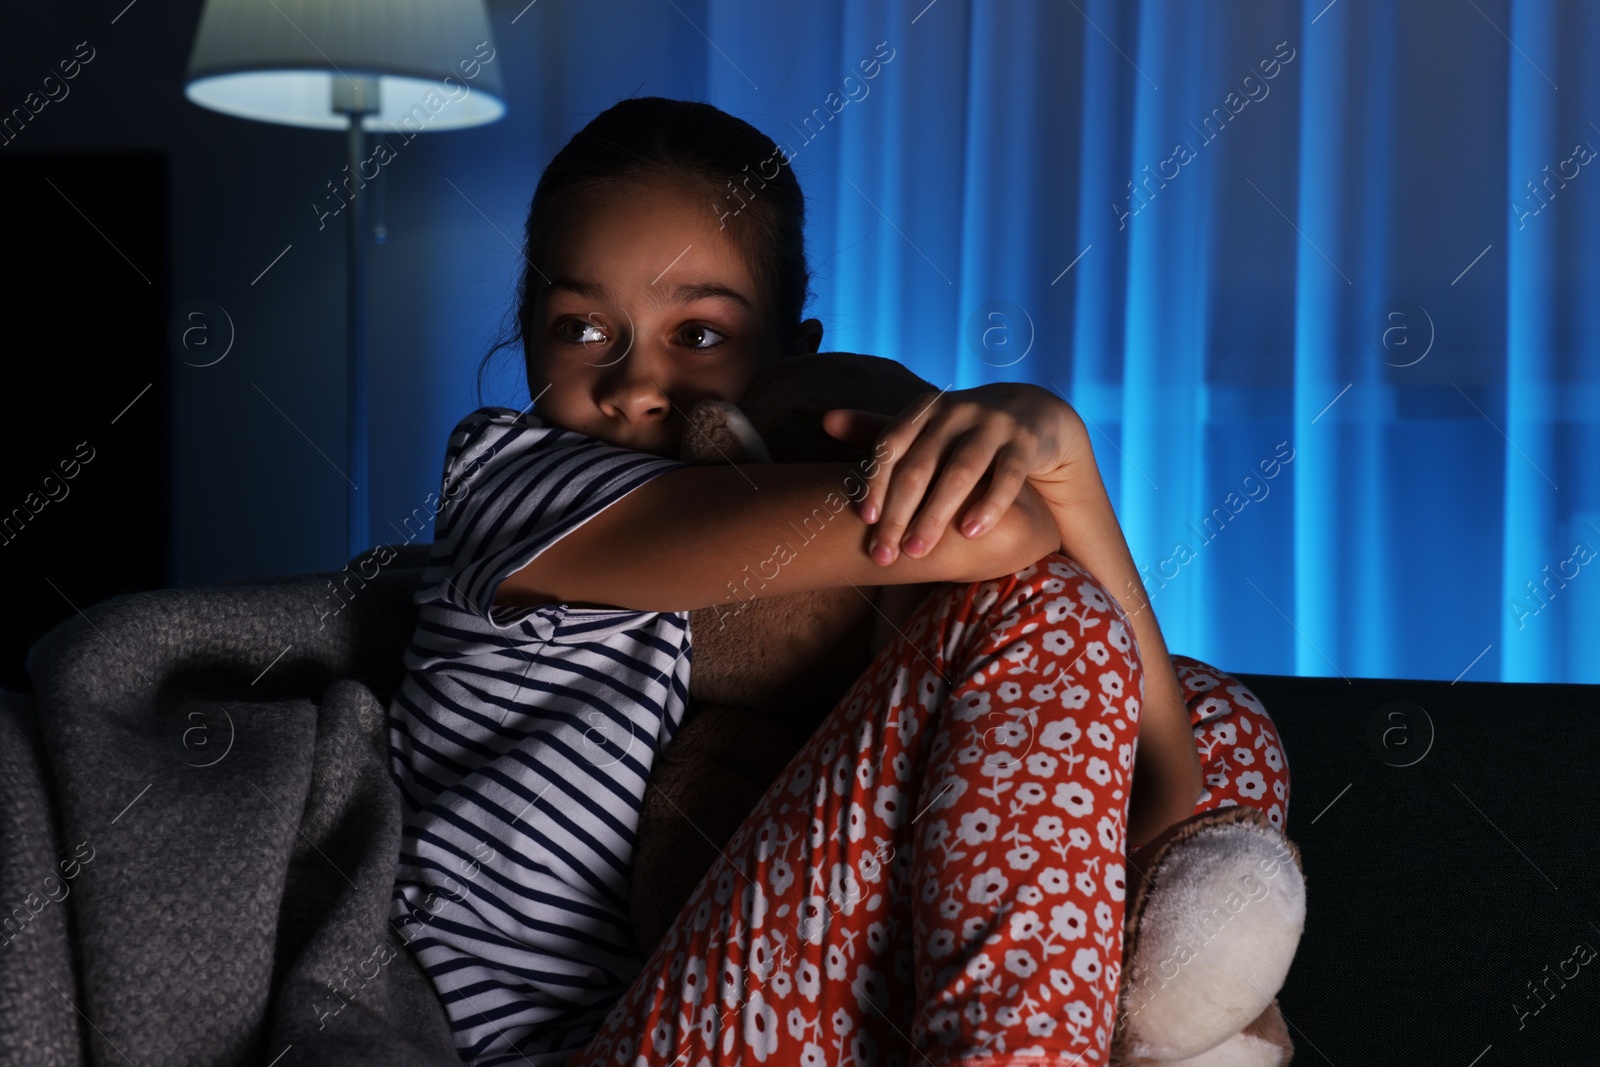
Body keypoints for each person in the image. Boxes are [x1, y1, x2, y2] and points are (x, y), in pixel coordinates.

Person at [384, 96, 1291, 1067]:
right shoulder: (507, 485)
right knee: (1048, 615)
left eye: (695, 335)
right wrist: (1033, 469)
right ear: (523, 337)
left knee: (1206, 715)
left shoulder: (779, 609)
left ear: (789, 359)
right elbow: (1004, 543)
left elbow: (1168, 798)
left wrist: (1067, 462)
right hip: (581, 1048)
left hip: (755, 1012)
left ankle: (1151, 1029)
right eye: (580, 326)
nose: (632, 382)